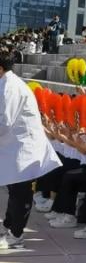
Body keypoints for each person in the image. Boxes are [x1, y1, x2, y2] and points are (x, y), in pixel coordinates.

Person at [0, 51, 61, 250]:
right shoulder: (6, 82)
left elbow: (4, 122)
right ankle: (9, 225)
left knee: (20, 191)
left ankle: (16, 235)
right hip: (15, 147)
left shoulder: (10, 87)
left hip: (23, 148)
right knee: (14, 189)